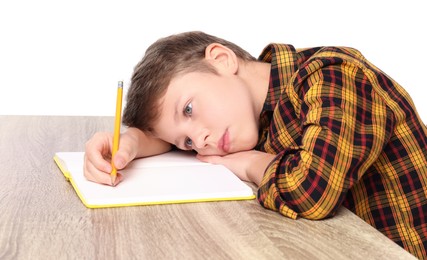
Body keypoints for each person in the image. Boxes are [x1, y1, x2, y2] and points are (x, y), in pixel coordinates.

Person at [84, 31, 427, 258]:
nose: (200, 141)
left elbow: (312, 190)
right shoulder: (246, 116)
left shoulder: (332, 76)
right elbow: (164, 137)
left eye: (189, 109)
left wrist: (250, 164)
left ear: (222, 60)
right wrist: (125, 144)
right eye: (187, 142)